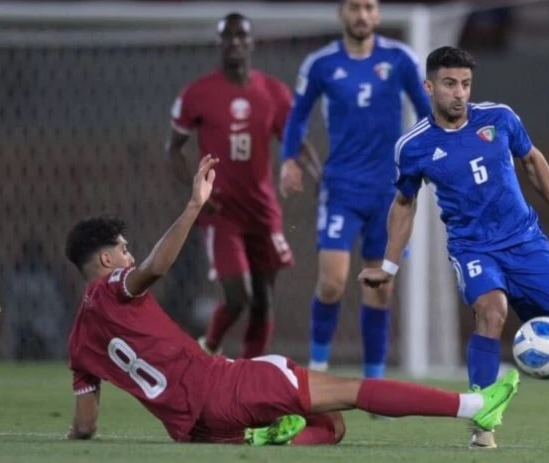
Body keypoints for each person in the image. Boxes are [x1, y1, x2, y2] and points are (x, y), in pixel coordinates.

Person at [63, 155, 520, 445]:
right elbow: (155, 268)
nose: (130, 253)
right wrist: (194, 206)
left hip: (196, 429)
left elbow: (85, 425)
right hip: (224, 387)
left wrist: (70, 438)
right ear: (106, 258)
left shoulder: (79, 342)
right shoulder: (114, 285)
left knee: (332, 427)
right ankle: (476, 406)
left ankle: (265, 436)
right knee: (352, 392)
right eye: (123, 249)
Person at [358, 46, 549, 451]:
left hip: (526, 243)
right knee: (491, 310)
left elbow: (532, 161)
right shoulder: (413, 146)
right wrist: (389, 265)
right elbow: (404, 204)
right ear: (429, 87)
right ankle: (482, 426)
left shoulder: (500, 118)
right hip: (473, 248)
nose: (459, 93)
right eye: (450, 84)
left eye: (466, 84)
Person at [279, 0, 431, 382]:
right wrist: (289, 160)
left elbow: (428, 111)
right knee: (331, 282)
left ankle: (374, 382)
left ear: (378, 14)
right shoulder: (321, 64)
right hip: (342, 187)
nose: (361, 15)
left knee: (379, 289)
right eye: (354, 7)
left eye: (369, 7)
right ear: (341, 13)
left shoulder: (399, 58)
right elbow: (298, 115)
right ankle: (317, 370)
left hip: (390, 192)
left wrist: (436, 156)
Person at [166, 13, 321, 358]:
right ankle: (206, 349)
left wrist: (319, 174)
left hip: (262, 211)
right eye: (228, 36)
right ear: (219, 44)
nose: (235, 42)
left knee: (264, 300)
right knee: (239, 296)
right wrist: (195, 191)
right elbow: (173, 148)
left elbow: (296, 140)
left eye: (241, 36)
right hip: (221, 212)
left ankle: (252, 379)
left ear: (251, 43)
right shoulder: (198, 93)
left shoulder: (272, 92)